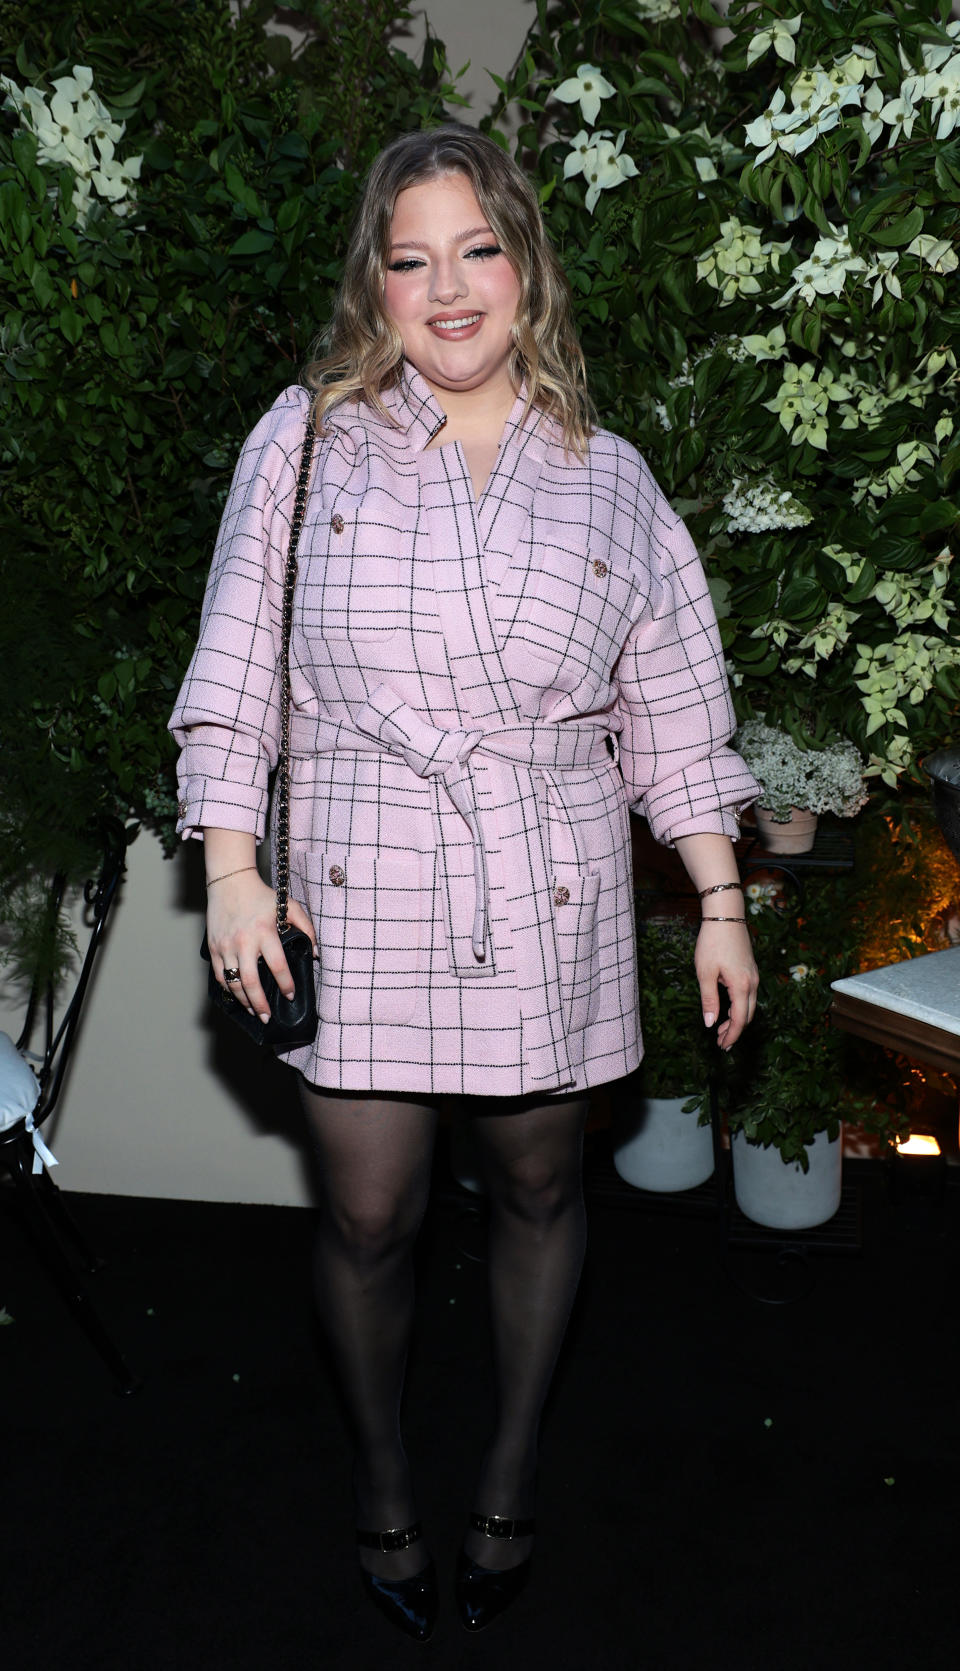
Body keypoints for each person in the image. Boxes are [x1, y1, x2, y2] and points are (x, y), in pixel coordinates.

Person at [169, 124, 759, 1642]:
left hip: (549, 881)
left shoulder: (608, 478)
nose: (448, 289)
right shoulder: (304, 439)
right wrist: (234, 873)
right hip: (358, 884)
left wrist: (720, 899)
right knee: (370, 1214)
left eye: (477, 250)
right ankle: (380, 1480)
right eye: (410, 256)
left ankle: (505, 1478)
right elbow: (237, 671)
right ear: (376, 279)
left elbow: (675, 707)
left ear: (526, 268)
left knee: (547, 1186)